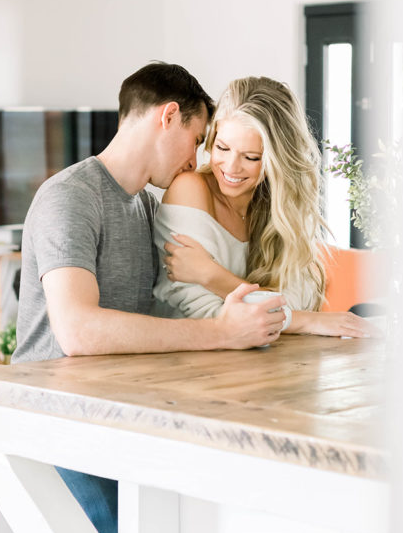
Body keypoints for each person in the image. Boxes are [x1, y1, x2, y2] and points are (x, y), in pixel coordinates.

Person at [12, 63, 288, 533]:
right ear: (171, 116)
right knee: (115, 523)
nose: (201, 158)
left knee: (198, 513)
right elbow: (78, 332)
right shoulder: (70, 196)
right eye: (199, 139)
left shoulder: (144, 205)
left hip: (117, 404)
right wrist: (222, 333)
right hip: (54, 408)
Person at [153, 75, 381, 337]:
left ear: (277, 160)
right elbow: (202, 313)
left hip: (266, 361)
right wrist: (305, 322)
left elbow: (297, 302)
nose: (231, 167)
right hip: (188, 365)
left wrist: (212, 275)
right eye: (222, 148)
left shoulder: (279, 207)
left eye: (251, 157)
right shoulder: (190, 190)